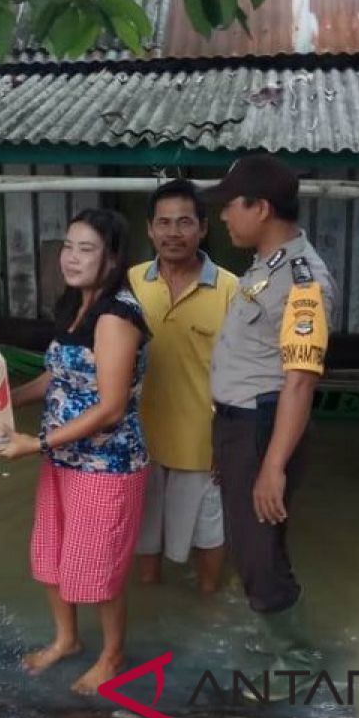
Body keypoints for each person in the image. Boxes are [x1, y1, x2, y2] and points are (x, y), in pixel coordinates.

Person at [0, 208, 151, 694]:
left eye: (86, 249)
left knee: (98, 564)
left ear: (112, 259)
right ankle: (67, 640)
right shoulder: (76, 304)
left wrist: (35, 442)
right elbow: (58, 375)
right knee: (52, 555)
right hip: (62, 459)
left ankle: (113, 653)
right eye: (67, 246)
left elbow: (110, 407)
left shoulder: (118, 314)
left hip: (106, 465)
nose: (71, 257)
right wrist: (5, 399)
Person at [201, 155, 337, 614]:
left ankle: (291, 660)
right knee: (252, 546)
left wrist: (272, 466)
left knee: (259, 559)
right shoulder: (264, 267)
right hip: (243, 428)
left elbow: (299, 383)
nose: (222, 216)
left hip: (262, 427)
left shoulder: (303, 283)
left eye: (229, 205)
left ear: (259, 208)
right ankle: (277, 641)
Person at [128, 179, 238, 593]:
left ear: (204, 229)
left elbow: (242, 372)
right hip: (140, 437)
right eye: (164, 223)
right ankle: (155, 603)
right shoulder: (131, 282)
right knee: (146, 534)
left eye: (184, 222)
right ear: (150, 230)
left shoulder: (231, 289)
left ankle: (207, 605)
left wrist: (228, 437)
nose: (173, 233)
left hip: (202, 441)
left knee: (210, 533)